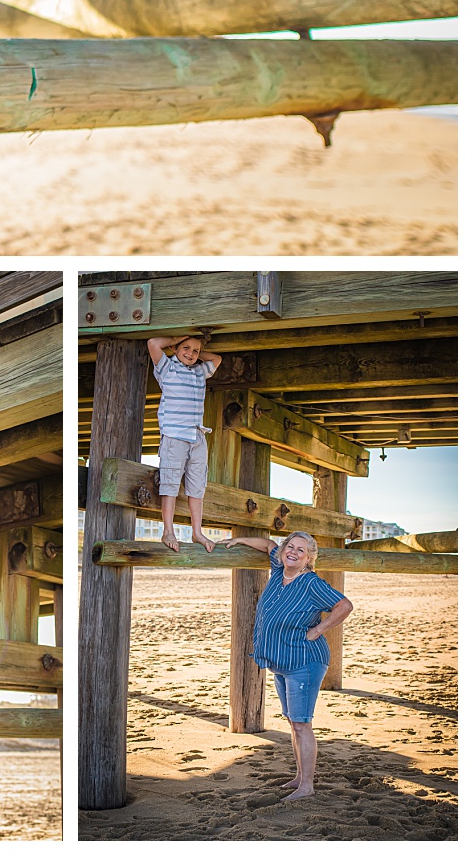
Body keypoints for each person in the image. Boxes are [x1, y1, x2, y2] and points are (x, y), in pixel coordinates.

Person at [221, 530, 354, 802]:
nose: (292, 552)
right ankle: (299, 777)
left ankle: (307, 786)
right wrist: (240, 540)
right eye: (290, 547)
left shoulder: (311, 584)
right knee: (294, 722)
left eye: (300, 550)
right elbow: (269, 544)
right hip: (282, 661)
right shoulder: (279, 567)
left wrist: (318, 629)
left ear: (309, 559)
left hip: (303, 662)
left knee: (302, 724)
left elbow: (344, 605)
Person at [147, 334, 222, 551]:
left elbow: (217, 359)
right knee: (170, 485)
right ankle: (168, 531)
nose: (190, 353)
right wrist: (177, 340)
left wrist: (197, 350)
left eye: (195, 351)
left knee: (197, 488)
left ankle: (197, 532)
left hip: (197, 436)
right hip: (174, 435)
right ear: (175, 349)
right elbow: (153, 343)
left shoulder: (199, 372)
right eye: (186, 349)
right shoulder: (167, 368)